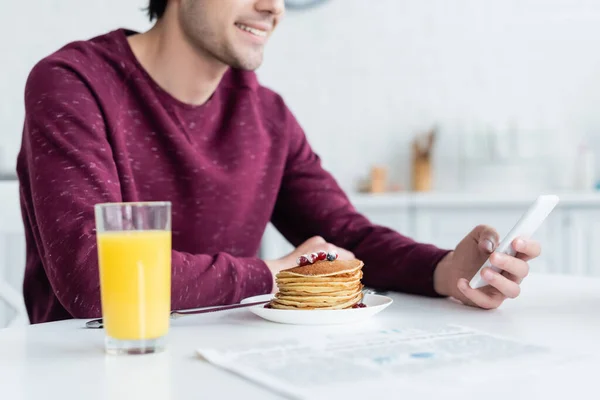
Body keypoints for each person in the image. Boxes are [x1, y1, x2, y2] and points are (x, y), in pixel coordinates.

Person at [17, 0, 540, 324]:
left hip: (226, 365)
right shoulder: (72, 84)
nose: (274, 6)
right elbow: (97, 278)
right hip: (89, 369)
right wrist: (272, 276)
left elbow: (343, 234)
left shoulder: (266, 115)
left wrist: (443, 270)